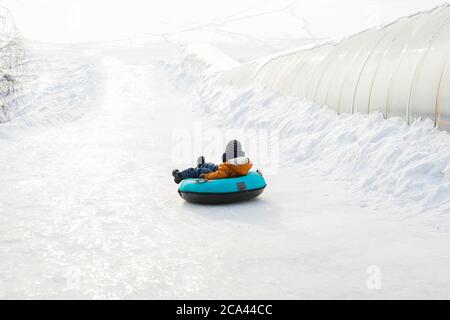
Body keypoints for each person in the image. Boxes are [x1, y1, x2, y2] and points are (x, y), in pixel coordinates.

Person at [172, 139, 252, 184]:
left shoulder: (230, 164)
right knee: (212, 165)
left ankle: (180, 176)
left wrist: (205, 176)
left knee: (200, 171)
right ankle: (202, 164)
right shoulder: (244, 163)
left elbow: (220, 174)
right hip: (222, 169)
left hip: (220, 172)